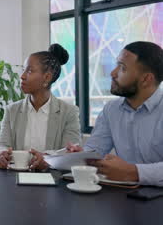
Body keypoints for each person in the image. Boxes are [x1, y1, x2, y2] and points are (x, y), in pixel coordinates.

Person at [68, 41, 163, 187]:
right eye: (116, 65)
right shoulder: (111, 110)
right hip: (122, 195)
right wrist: (82, 156)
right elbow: (95, 150)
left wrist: (134, 172)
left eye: (122, 68)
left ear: (146, 79)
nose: (112, 73)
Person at [0, 44, 81, 170]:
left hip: (53, 182)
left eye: (29, 71)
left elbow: (71, 153)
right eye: (24, 70)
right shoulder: (12, 110)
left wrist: (47, 160)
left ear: (47, 77)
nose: (22, 76)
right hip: (15, 180)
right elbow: (1, 145)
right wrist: (0, 155)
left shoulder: (69, 112)